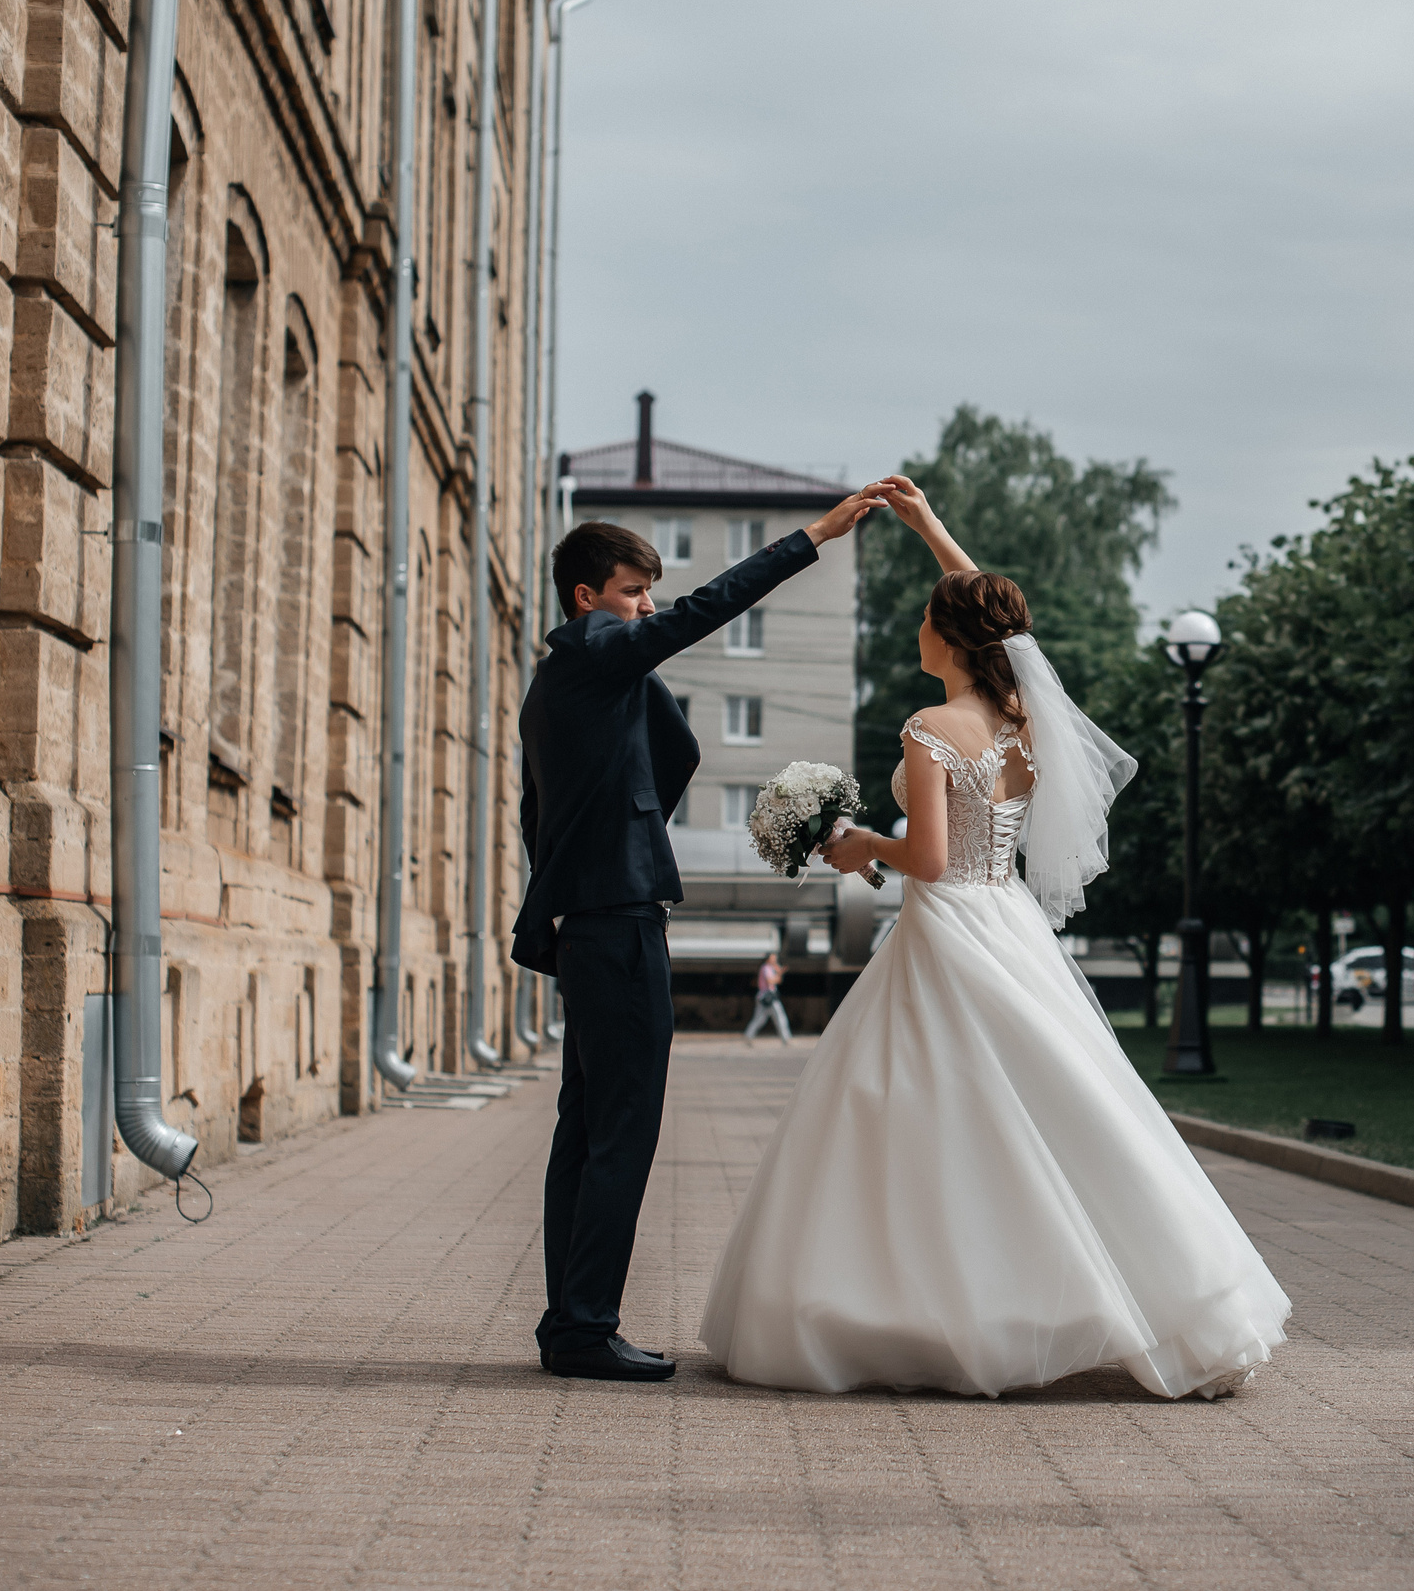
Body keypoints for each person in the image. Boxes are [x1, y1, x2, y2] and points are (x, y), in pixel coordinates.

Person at [699, 476, 1293, 1399]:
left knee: (919, 1109)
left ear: (946, 636)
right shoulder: (1022, 723)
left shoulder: (931, 728)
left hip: (946, 927)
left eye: (926, 620)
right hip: (1007, 918)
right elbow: (1008, 633)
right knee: (1060, 1099)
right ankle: (1163, 1296)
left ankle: (921, 1306)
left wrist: (857, 843)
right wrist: (930, 526)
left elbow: (928, 860)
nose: (916, 632)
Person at [515, 488, 888, 1384]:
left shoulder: (575, 683)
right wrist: (814, 538)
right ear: (586, 597)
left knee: (586, 1126)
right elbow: (698, 613)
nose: (647, 606)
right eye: (634, 591)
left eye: (649, 591)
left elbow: (556, 806)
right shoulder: (595, 652)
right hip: (617, 921)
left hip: (596, 913)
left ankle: (570, 1321)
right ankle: (584, 1326)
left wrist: (631, 824)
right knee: (621, 1131)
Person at [745, 950, 791, 1044]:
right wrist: (778, 973)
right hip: (766, 997)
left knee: (774, 1017)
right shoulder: (765, 968)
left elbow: (778, 981)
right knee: (765, 1018)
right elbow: (770, 981)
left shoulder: (771, 968)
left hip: (770, 996)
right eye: (773, 957)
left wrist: (779, 972)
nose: (775, 959)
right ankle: (748, 1036)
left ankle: (786, 1038)